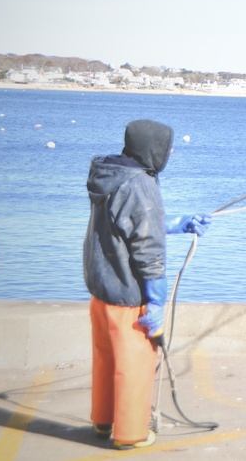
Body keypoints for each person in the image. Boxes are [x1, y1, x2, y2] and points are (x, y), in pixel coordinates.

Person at [83, 119, 211, 450]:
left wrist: (176, 223)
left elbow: (126, 224)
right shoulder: (140, 185)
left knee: (106, 358)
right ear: (152, 149)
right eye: (167, 148)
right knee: (135, 364)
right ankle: (130, 433)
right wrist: (156, 300)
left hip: (101, 292)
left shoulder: (109, 174)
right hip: (127, 295)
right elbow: (148, 251)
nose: (169, 154)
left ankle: (103, 419)